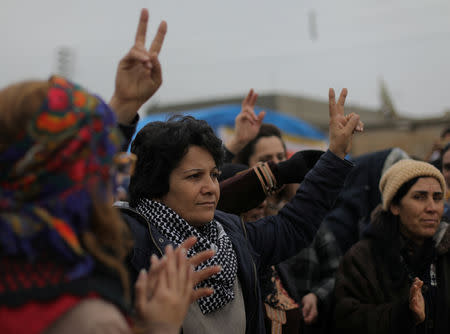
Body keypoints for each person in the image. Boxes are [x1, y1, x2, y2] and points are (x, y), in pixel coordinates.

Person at [0, 9, 218, 334]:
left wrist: (124, 102)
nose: (115, 181)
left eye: (215, 174)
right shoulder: (84, 316)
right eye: (106, 166)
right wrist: (157, 325)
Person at [116, 87, 363, 333]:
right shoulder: (128, 242)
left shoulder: (232, 233)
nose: (211, 188)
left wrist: (335, 156)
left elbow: (293, 225)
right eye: (194, 177)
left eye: (214, 175)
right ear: (156, 182)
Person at [334, 159, 450, 333]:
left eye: (438, 197)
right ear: (395, 205)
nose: (432, 207)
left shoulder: (446, 252)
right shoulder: (362, 258)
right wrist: (403, 314)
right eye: (419, 197)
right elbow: (346, 320)